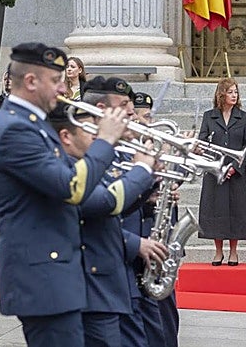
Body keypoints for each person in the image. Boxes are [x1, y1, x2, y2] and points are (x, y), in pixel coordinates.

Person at [0, 42, 128, 347]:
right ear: (30, 82)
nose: (63, 87)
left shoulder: (32, 123)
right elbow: (71, 187)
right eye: (55, 81)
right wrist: (105, 139)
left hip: (52, 273)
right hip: (42, 276)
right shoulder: (15, 128)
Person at [48, 100, 157, 346]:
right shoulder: (66, 169)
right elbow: (106, 202)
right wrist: (141, 169)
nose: (97, 136)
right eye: (90, 130)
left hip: (104, 282)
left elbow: (117, 207)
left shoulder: (89, 164)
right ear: (66, 136)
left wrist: (150, 176)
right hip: (89, 286)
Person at [82, 77, 169, 347]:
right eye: (124, 108)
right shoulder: (88, 153)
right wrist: (143, 172)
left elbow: (115, 204)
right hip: (102, 271)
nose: (131, 115)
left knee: (157, 334)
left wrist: (150, 182)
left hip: (121, 266)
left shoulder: (109, 149)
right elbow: (102, 205)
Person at [134, 90, 181, 347]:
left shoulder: (154, 143)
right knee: (153, 319)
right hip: (142, 233)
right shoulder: (130, 148)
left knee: (166, 314)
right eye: (140, 116)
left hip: (161, 231)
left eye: (148, 117)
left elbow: (171, 181)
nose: (146, 122)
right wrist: (149, 197)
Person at [198, 77, 246, 266]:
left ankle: (233, 251)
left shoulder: (243, 117)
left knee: (235, 210)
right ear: (221, 94)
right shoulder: (209, 116)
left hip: (235, 173)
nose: (234, 95)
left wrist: (236, 167)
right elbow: (202, 142)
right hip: (215, 172)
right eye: (230, 92)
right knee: (216, 210)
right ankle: (218, 251)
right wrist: (215, 165)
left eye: (235, 92)